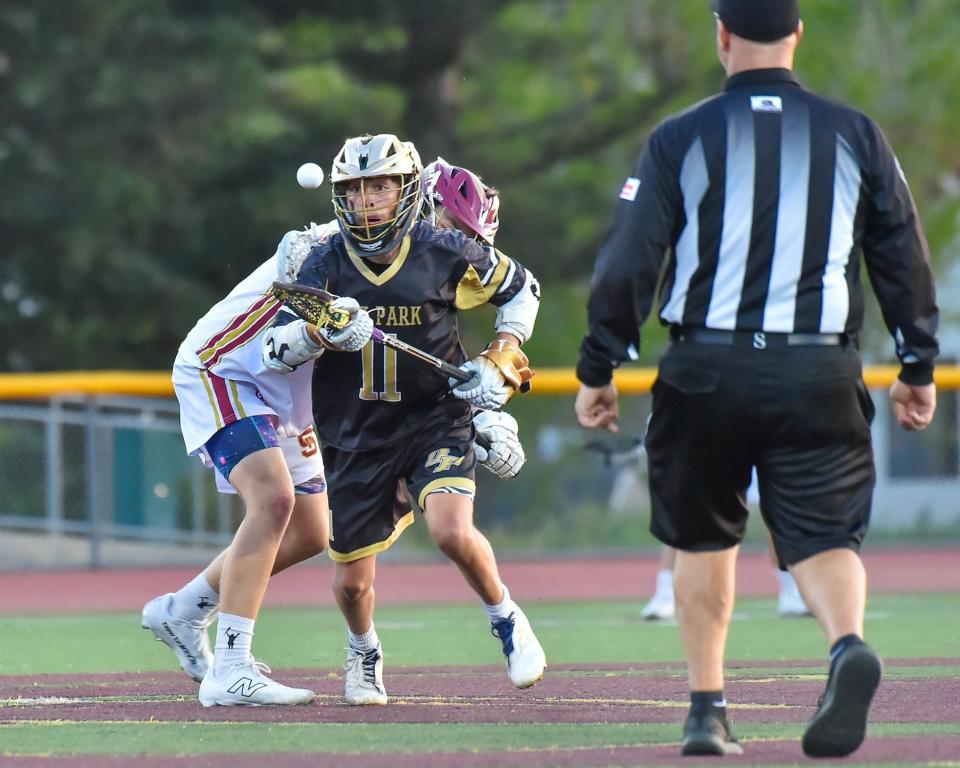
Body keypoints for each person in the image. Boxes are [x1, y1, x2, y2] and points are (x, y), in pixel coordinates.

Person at [574, 0, 937, 758]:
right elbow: (902, 254)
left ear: (722, 36)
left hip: (706, 364)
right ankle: (845, 646)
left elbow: (629, 258)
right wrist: (916, 366)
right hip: (818, 366)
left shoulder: (679, 136)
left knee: (705, 538)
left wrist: (599, 365)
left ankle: (708, 709)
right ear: (797, 36)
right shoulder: (855, 133)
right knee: (825, 535)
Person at [274, 135, 545, 706]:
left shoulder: (443, 248)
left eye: (379, 185)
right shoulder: (321, 262)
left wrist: (501, 357)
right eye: (353, 189)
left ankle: (506, 618)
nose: (367, 200)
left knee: (451, 530)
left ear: (406, 189)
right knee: (352, 582)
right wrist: (318, 332)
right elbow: (276, 348)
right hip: (354, 435)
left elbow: (523, 291)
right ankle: (365, 650)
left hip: (434, 419)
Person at [142, 216, 375, 706]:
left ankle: (184, 610)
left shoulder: (417, 268)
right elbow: (277, 348)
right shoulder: (327, 247)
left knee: (311, 532)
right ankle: (230, 668)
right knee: (272, 500)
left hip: (286, 397)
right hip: (226, 369)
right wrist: (320, 333)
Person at [643, 470, 811, 620]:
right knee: (687, 505)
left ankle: (791, 591)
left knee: (775, 504)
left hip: (760, 438)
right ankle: (665, 593)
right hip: (714, 440)